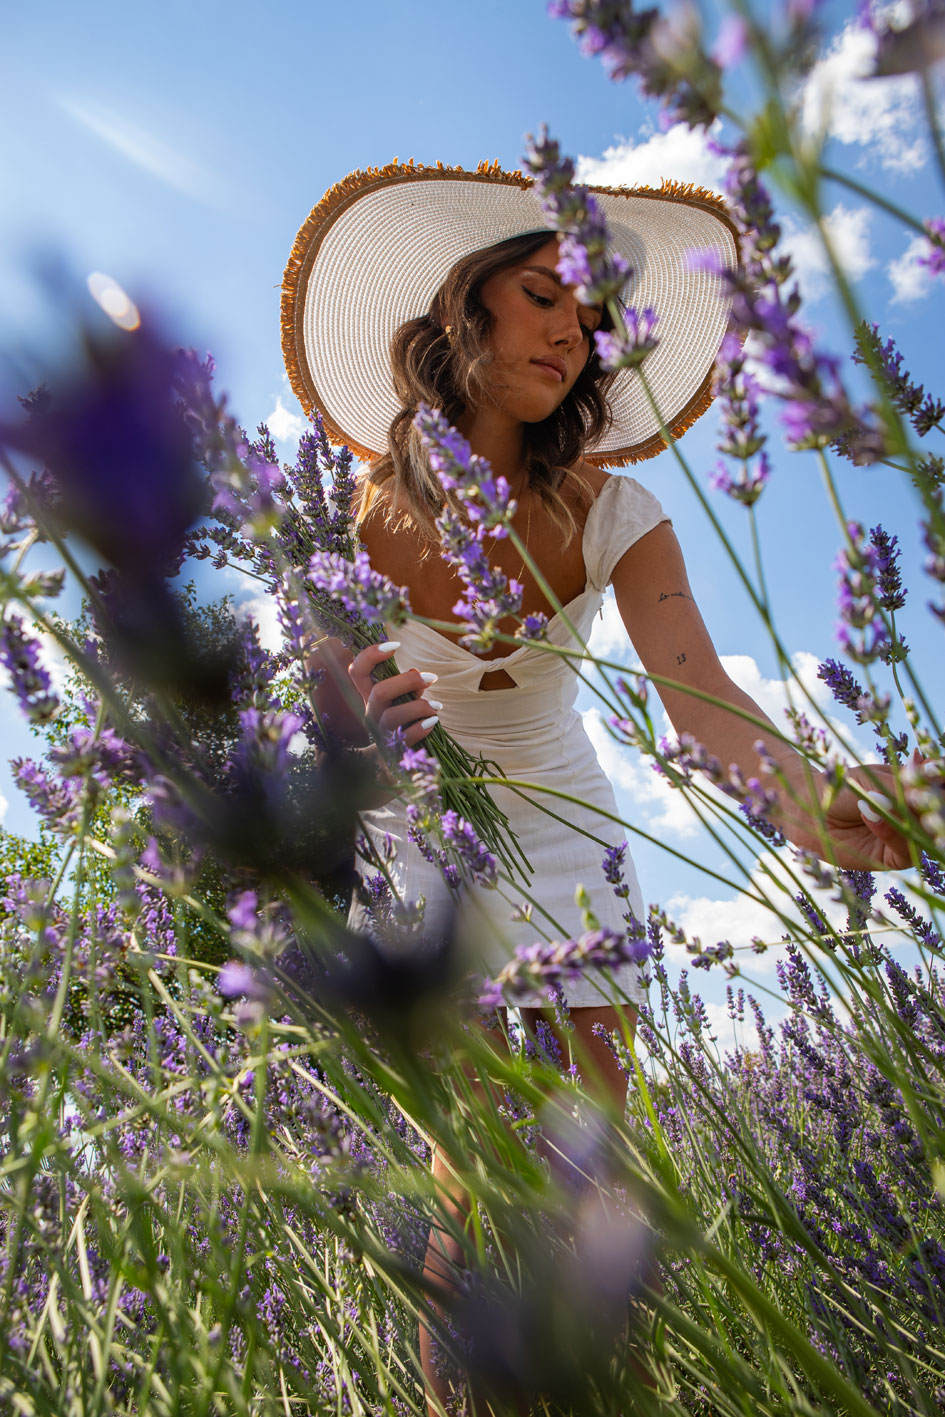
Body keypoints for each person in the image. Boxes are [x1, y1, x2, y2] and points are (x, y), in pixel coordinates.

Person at [282, 161, 909, 1411]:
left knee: (594, 1174)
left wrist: (812, 812)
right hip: (424, 846)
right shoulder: (341, 516)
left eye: (592, 312)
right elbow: (318, 724)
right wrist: (348, 736)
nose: (574, 328)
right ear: (467, 309)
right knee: (476, 1168)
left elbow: (703, 703)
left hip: (572, 832)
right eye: (541, 293)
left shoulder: (621, 508)